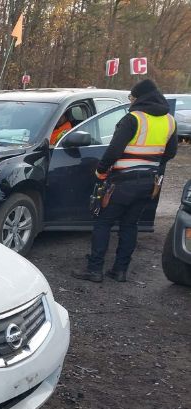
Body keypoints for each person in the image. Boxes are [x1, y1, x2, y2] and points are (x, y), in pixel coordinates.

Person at [72, 79, 178, 282]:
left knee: (103, 222)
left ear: (138, 98)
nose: (130, 101)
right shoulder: (169, 121)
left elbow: (113, 151)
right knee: (130, 225)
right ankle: (120, 271)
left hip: (122, 182)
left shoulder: (133, 119)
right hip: (149, 182)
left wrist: (101, 171)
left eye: (131, 97)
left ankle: (94, 270)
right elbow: (171, 152)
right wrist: (152, 163)